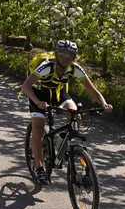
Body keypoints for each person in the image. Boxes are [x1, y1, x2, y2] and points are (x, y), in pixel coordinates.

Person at [21, 39, 112, 184]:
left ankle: (64, 143)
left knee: (75, 114)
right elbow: (26, 85)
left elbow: (91, 89)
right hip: (38, 94)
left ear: (75, 57)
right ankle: (39, 167)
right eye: (63, 54)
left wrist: (104, 103)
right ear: (56, 54)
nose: (66, 58)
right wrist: (37, 101)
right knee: (38, 128)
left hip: (58, 92)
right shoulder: (46, 66)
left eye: (71, 55)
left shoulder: (75, 68)